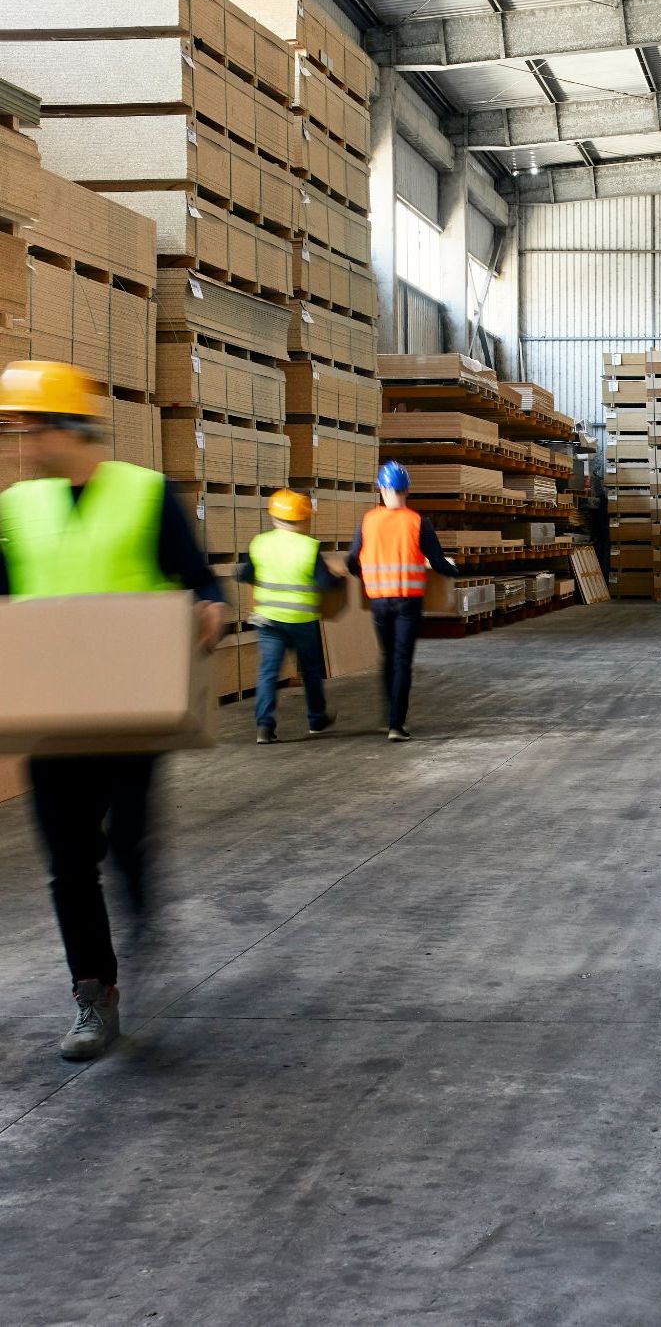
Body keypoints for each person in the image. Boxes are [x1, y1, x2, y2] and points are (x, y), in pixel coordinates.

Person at [0, 360, 228, 1061]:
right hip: (53, 716)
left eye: (27, 429)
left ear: (67, 427)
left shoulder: (146, 495)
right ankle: (93, 995)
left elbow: (200, 582)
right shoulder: (15, 508)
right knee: (68, 863)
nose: (19, 445)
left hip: (133, 715)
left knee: (125, 842)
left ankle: (139, 909)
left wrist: (208, 611)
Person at [345, 460, 460, 741]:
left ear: (381, 488)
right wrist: (454, 570)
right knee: (402, 661)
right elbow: (437, 562)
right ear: (407, 490)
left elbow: (351, 561)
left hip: (379, 603)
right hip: (408, 604)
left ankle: (387, 717)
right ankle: (396, 724)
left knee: (387, 659)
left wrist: (364, 575)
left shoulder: (368, 521)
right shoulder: (419, 522)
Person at [238, 488, 344, 745]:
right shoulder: (309, 548)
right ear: (303, 520)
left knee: (268, 673)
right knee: (310, 671)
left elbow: (245, 575)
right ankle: (316, 719)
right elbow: (326, 584)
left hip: (269, 619)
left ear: (273, 516)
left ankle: (264, 726)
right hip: (301, 621)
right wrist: (338, 576)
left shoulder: (259, 543)